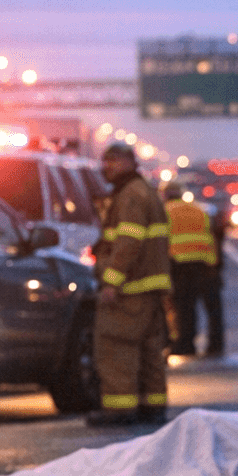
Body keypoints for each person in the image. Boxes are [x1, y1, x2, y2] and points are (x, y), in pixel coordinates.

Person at [88, 144, 171, 425]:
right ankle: (153, 406)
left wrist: (111, 280)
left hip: (129, 288)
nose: (105, 168)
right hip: (146, 289)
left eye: (111, 162)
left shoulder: (130, 196)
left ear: (126, 163)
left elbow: (128, 241)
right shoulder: (142, 191)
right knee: (149, 350)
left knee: (115, 346)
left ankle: (119, 409)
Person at [163, 182, 224, 357]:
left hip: (179, 264)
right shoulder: (198, 209)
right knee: (213, 308)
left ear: (165, 195)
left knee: (184, 308)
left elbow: (161, 240)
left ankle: (186, 345)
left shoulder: (163, 212)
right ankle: (216, 345)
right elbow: (214, 235)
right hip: (206, 264)